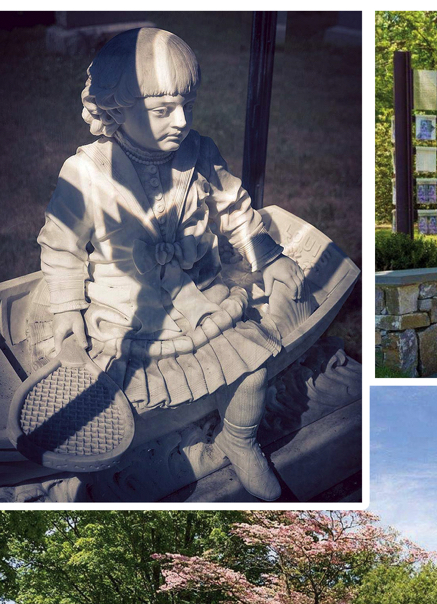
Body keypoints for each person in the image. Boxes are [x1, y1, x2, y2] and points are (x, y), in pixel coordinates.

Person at [38, 27, 313, 500]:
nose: (182, 120)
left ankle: (239, 439)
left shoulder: (200, 154)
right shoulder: (85, 173)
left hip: (202, 299)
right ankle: (130, 456)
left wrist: (266, 254)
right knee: (122, 396)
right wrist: (66, 312)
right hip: (128, 315)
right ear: (116, 111)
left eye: (188, 105)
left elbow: (234, 209)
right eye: (163, 110)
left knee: (253, 367)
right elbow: (61, 248)